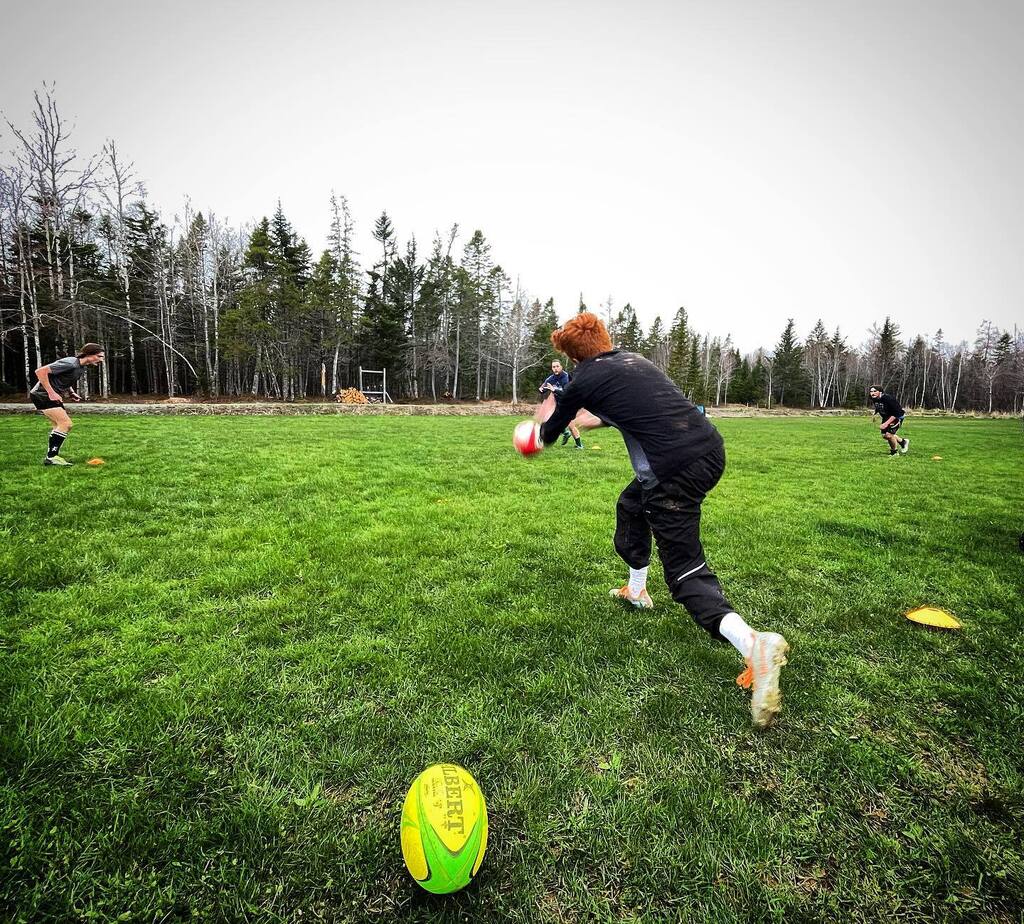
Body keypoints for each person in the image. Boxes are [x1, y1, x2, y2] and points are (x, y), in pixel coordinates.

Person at [537, 313, 789, 728]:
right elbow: (638, 405)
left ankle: (753, 645)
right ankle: (636, 591)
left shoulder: (583, 380)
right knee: (632, 507)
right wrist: (598, 418)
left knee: (685, 573)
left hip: (672, 471)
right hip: (709, 451)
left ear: (570, 356)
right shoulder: (633, 362)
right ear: (606, 338)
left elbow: (545, 437)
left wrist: (534, 427)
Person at [29, 343, 105, 466]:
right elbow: (40, 371)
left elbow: (63, 379)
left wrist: (71, 392)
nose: (101, 360)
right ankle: (52, 457)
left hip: (47, 394)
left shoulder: (80, 367)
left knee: (58, 425)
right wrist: (51, 392)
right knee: (66, 423)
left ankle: (52, 457)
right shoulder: (71, 362)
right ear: (89, 354)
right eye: (99, 356)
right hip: (43, 394)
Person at [539, 360, 582, 448]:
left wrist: (554, 390)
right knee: (553, 420)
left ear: (561, 367)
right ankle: (570, 437)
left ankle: (573, 440)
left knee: (569, 424)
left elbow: (566, 393)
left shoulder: (566, 378)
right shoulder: (551, 378)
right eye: (553, 367)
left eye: (557, 366)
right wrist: (541, 389)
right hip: (560, 404)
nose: (555, 368)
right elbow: (544, 387)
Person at [869, 385, 909, 457]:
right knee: (885, 436)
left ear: (880, 392)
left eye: (875, 391)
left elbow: (896, 413)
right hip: (887, 417)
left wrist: (886, 424)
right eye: (871, 391)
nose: (872, 393)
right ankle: (903, 442)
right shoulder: (874, 398)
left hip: (897, 417)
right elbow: (879, 406)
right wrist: (874, 414)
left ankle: (894, 452)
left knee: (889, 435)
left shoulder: (888, 399)